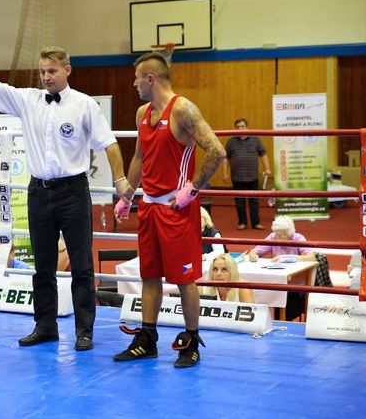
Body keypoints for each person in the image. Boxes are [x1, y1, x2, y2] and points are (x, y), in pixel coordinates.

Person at [0, 28, 133, 351]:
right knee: (42, 264)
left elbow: (109, 144)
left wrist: (120, 179)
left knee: (81, 264)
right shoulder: (28, 100)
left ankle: (85, 330)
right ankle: (45, 326)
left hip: (73, 191)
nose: (46, 77)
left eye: (52, 71)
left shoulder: (83, 104)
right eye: (42, 71)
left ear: (67, 70)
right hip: (38, 191)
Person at [113, 51, 226, 367]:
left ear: (150, 79)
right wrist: (127, 196)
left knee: (184, 279)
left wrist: (193, 188)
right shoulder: (141, 114)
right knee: (149, 275)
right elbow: (139, 158)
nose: (134, 85)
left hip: (177, 211)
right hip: (148, 208)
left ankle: (191, 341)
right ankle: (147, 339)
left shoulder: (184, 110)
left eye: (137, 79)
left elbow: (216, 151)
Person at [222, 118, 271, 230]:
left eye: (242, 126)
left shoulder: (255, 139)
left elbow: (263, 154)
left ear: (247, 127)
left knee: (254, 200)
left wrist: (267, 168)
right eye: (238, 126)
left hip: (252, 176)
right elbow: (225, 158)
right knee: (239, 201)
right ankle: (242, 222)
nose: (240, 128)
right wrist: (225, 174)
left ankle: (256, 223)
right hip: (237, 176)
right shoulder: (231, 141)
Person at [248, 215, 315, 262]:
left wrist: (285, 258)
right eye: (276, 233)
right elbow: (257, 250)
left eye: (280, 235)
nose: (276, 238)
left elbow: (312, 257)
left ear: (289, 233)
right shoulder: (273, 236)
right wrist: (253, 253)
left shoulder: (298, 238)